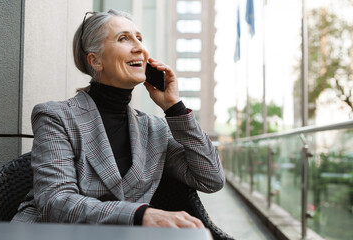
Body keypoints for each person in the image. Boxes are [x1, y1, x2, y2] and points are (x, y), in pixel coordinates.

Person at [11, 9, 225, 228]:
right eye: (124, 38)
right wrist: (140, 215)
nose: (139, 48)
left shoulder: (154, 129)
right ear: (95, 61)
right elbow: (55, 203)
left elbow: (210, 179)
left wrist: (174, 108)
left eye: (139, 39)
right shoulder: (56, 117)